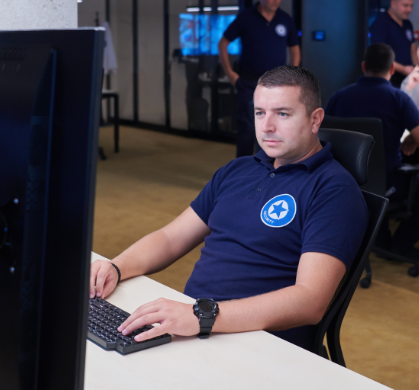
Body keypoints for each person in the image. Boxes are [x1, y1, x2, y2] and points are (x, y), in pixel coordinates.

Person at [89, 66, 367, 352]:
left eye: (282, 114)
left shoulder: (334, 190)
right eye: (260, 112)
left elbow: (310, 301)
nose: (267, 126)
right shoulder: (238, 169)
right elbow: (171, 238)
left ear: (315, 119)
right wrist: (117, 267)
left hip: (256, 345)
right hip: (195, 327)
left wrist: (202, 317)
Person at [326, 43, 419, 259]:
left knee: (378, 180)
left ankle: (380, 238)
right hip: (388, 185)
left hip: (343, 183)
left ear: (363, 66)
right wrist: (412, 137)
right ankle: (401, 245)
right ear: (392, 69)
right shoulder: (398, 98)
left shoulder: (339, 96)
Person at [219, 0, 301, 157]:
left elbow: (295, 49)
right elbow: (223, 43)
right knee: (247, 129)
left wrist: (293, 77)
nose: (276, 0)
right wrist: (230, 73)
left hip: (278, 85)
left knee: (275, 129)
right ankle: (244, 170)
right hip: (249, 82)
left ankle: (269, 168)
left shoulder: (285, 19)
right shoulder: (246, 17)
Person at [368, 0, 416, 87]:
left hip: (408, 80)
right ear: (393, 4)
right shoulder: (380, 24)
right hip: (389, 81)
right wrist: (403, 69)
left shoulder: (408, 24)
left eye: (411, 6)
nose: (409, 9)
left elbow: (412, 47)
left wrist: (417, 67)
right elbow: (380, 56)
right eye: (405, 5)